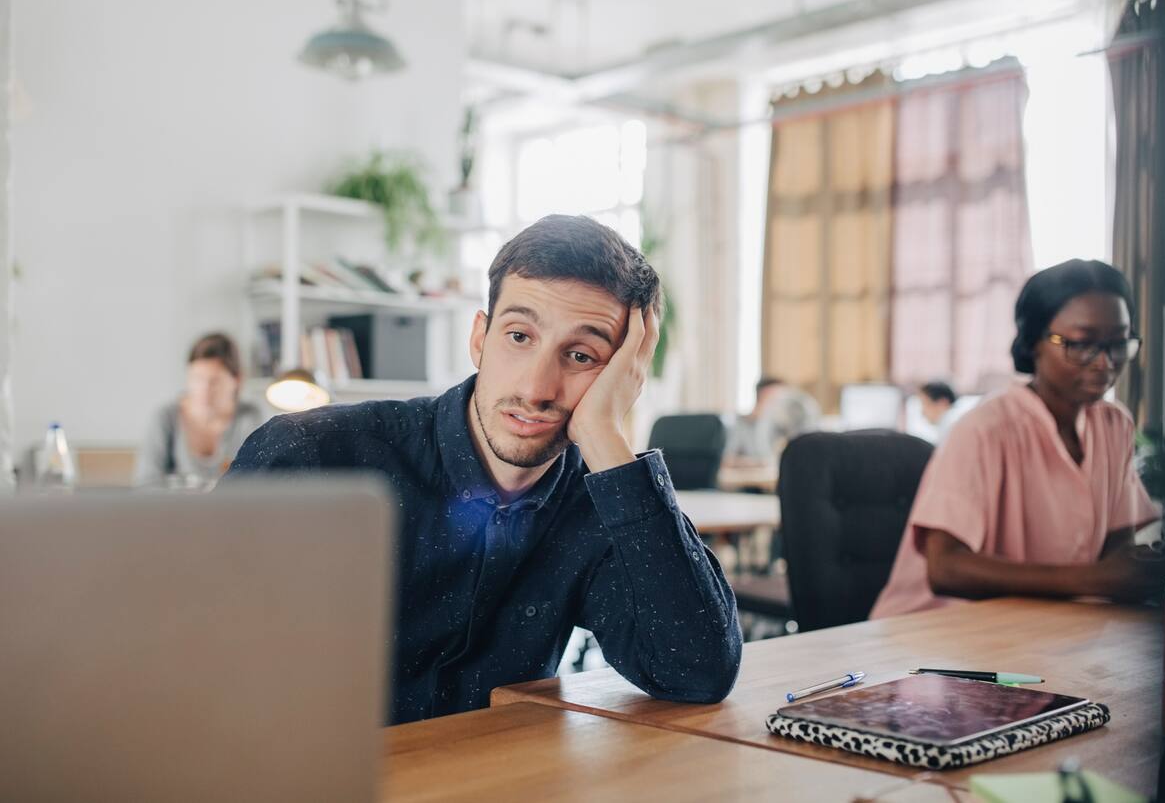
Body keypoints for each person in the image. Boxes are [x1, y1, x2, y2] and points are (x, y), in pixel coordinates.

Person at [225, 215, 742, 725]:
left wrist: (607, 434)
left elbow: (695, 672)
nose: (537, 387)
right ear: (480, 338)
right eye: (519, 337)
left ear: (624, 377)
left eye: (582, 355)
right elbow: (192, 666)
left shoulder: (594, 502)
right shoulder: (311, 456)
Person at [871, 259, 1165, 619]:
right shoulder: (985, 429)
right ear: (1033, 342)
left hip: (1038, 628)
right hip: (931, 634)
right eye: (1082, 344)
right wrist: (1092, 580)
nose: (1104, 363)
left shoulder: (1113, 425)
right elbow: (945, 568)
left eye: (1118, 344)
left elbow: (1114, 551)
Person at [135, 332, 263, 489]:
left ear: (237, 380)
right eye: (197, 378)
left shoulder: (249, 418)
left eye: (214, 381)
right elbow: (146, 485)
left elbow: (257, 482)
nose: (204, 389)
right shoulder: (165, 417)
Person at [724, 376, 819, 466]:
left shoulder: (783, 426)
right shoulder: (741, 422)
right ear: (762, 395)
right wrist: (754, 463)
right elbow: (726, 459)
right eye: (776, 397)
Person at [916, 380, 964, 445]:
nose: (923, 413)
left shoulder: (949, 421)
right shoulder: (954, 419)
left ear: (943, 403)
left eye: (926, 404)